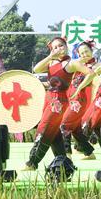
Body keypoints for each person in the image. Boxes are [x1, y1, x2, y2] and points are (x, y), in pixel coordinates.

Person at [24, 37, 78, 170]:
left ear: (66, 46)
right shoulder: (51, 63)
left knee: (45, 128)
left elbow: (91, 73)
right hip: (49, 98)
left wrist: (80, 88)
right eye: (55, 47)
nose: (59, 49)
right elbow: (36, 69)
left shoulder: (70, 63)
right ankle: (64, 162)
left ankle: (32, 162)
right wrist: (50, 57)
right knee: (53, 132)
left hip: (58, 101)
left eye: (61, 46)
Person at [61, 41, 98, 159]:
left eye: (87, 51)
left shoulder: (95, 66)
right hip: (72, 98)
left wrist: (79, 89)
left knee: (64, 125)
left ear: (92, 51)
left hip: (79, 100)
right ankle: (89, 152)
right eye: (81, 53)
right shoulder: (78, 65)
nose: (84, 55)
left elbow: (92, 75)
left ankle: (66, 155)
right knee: (75, 128)